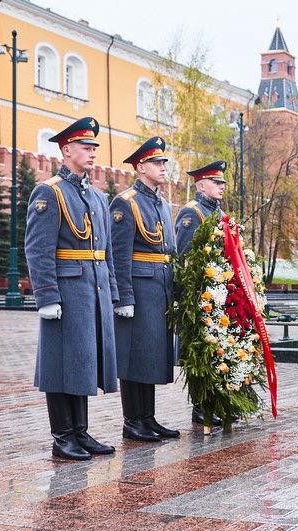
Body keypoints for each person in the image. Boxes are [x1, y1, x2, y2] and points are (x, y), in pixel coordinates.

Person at [25, 117, 118, 460]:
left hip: (91, 289)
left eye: (94, 147)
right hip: (65, 289)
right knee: (60, 363)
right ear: (66, 150)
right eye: (85, 147)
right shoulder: (50, 191)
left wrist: (110, 292)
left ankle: (80, 431)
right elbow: (37, 247)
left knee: (82, 361)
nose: (92, 152)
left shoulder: (95, 195)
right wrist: (47, 295)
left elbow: (104, 250)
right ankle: (62, 435)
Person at [110, 137, 179, 441]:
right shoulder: (125, 202)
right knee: (134, 355)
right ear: (140, 167)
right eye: (156, 163)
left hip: (159, 286)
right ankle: (132, 421)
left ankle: (147, 418)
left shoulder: (162, 203)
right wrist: (124, 296)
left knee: (151, 353)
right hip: (138, 288)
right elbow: (119, 253)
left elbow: (169, 250)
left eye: (164, 163)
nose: (162, 167)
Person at [174, 160, 227, 426]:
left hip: (219, 292)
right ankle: (201, 407)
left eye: (223, 183)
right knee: (201, 352)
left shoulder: (218, 213)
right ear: (201, 185)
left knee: (218, 349)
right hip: (200, 295)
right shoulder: (192, 213)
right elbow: (185, 256)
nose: (221, 187)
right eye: (216, 183)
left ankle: (216, 401)